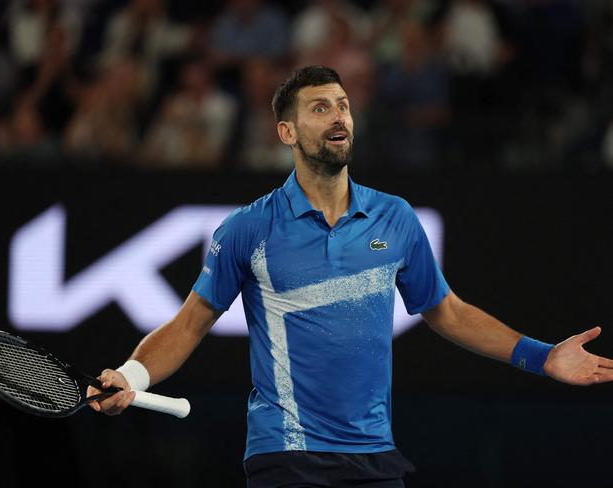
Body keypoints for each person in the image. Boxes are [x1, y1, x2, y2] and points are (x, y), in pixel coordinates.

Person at [88, 65, 613, 487]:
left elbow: (448, 313)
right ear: (286, 132)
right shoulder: (248, 229)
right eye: (320, 108)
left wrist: (543, 357)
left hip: (374, 456)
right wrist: (131, 377)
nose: (339, 116)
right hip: (287, 455)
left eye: (342, 105)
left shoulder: (396, 219)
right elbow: (188, 325)